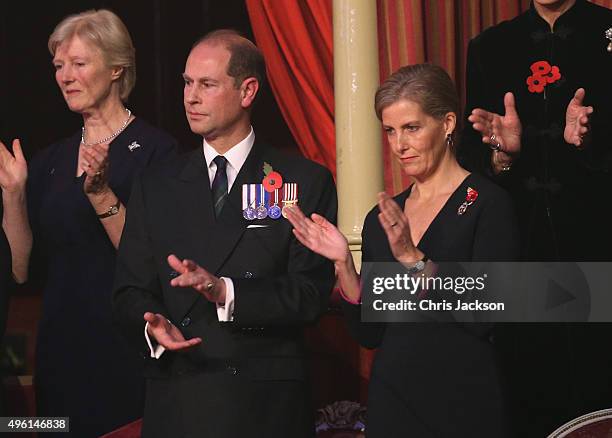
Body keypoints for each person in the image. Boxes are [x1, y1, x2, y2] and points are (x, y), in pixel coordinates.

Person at [112, 29, 337, 438]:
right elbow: (129, 289)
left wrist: (226, 292)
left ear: (247, 90)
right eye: (186, 83)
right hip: (178, 399)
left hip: (262, 406)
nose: (190, 97)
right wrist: (153, 325)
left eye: (207, 85)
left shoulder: (303, 181)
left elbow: (309, 295)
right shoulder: (156, 184)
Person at [286, 64, 519, 438]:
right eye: (390, 131)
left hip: (464, 401)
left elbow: (486, 316)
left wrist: (414, 259)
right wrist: (344, 263)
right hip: (394, 400)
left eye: (411, 128)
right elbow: (370, 333)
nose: (399, 145)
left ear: (446, 123)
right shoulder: (385, 216)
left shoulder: (487, 203)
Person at [0, 9, 177, 437]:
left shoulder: (157, 151)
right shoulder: (50, 161)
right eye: (59, 66)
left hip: (124, 346)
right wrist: (14, 195)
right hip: (60, 347)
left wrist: (102, 195)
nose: (65, 76)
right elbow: (21, 268)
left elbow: (151, 261)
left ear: (117, 67)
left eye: (79, 64)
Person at [461, 1, 612, 435]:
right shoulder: (490, 47)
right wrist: (503, 155)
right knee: (528, 391)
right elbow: (473, 159)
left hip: (599, 245)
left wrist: (585, 143)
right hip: (519, 250)